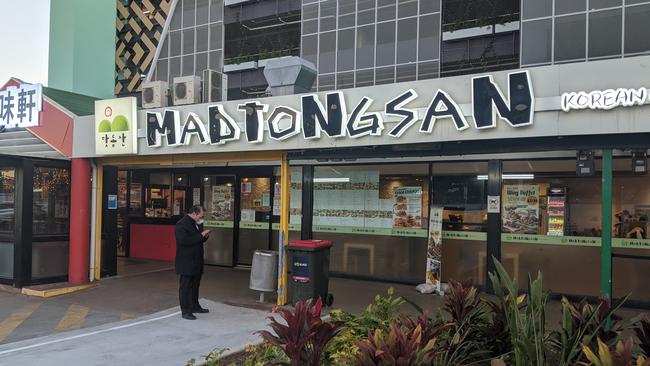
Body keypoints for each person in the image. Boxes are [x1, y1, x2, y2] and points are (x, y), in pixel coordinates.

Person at [175, 205, 211, 320]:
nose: (201, 218)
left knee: (195, 285)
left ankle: (195, 306)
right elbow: (184, 241)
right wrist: (200, 235)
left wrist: (205, 236)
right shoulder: (181, 224)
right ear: (194, 213)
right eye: (200, 215)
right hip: (186, 261)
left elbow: (197, 238)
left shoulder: (196, 223)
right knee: (185, 287)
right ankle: (185, 311)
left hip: (197, 260)